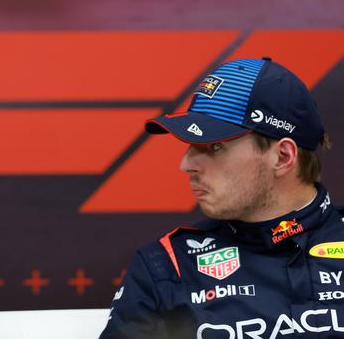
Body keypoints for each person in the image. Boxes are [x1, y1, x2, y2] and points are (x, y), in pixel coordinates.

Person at [100, 57, 343, 338]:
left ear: (282, 156)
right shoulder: (167, 265)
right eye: (192, 145)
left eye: (214, 146)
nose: (186, 165)